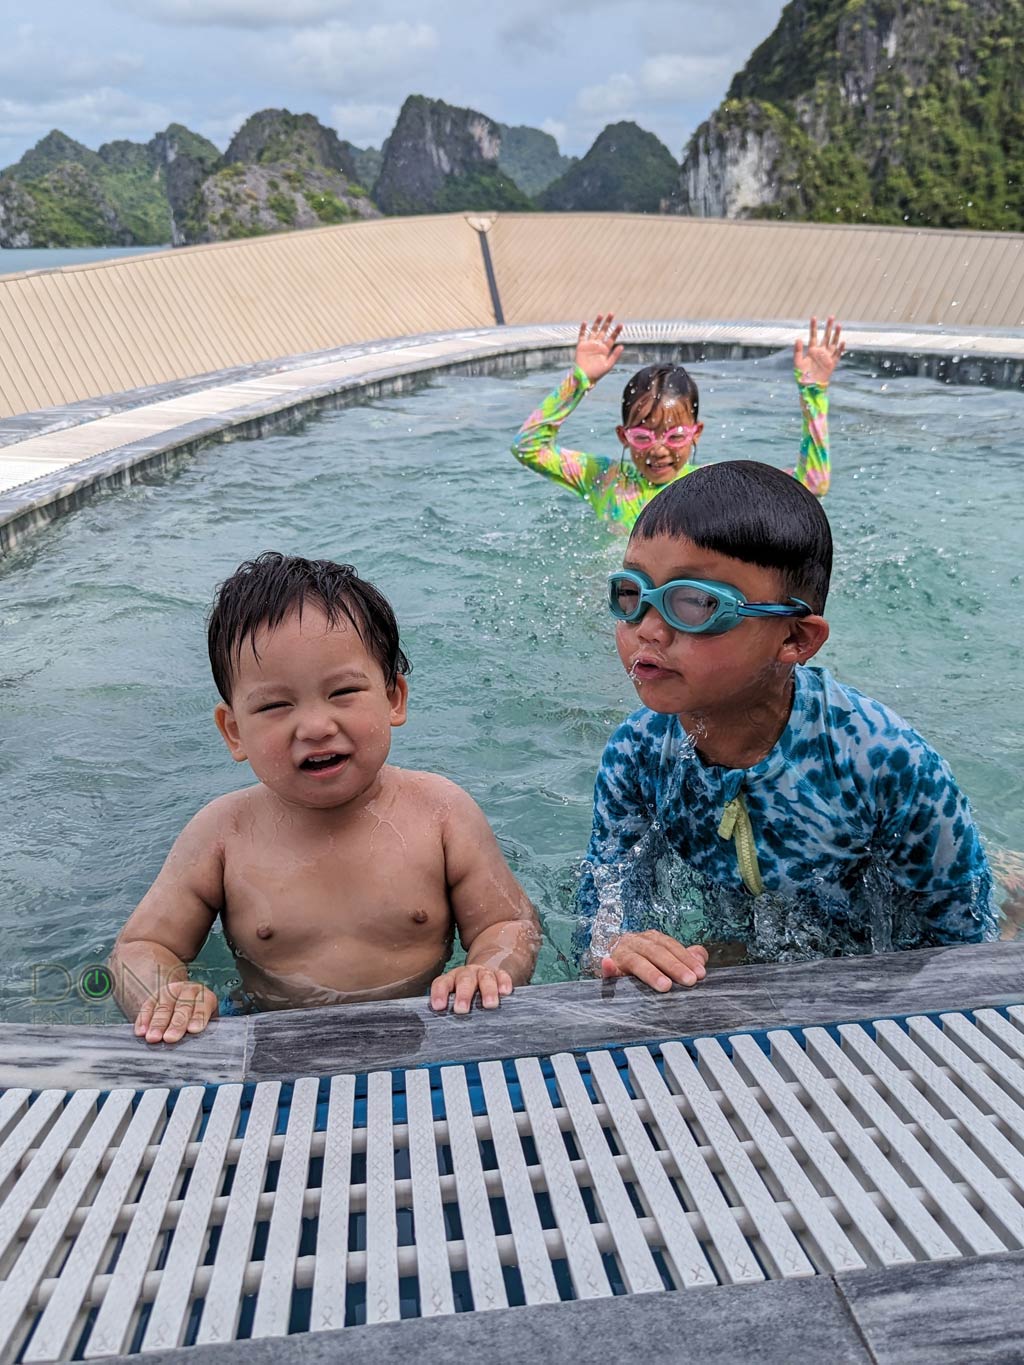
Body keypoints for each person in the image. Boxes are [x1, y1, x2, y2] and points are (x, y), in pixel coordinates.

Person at [576, 462, 996, 989]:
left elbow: (961, 949)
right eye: (633, 594)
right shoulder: (636, 754)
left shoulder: (885, 763)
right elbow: (604, 898)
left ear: (795, 638)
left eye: (698, 603)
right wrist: (615, 944)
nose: (650, 630)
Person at [108, 553, 541, 1044]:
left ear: (393, 698)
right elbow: (141, 945)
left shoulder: (440, 813)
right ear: (234, 732)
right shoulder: (222, 834)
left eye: (342, 693)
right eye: (275, 705)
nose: (315, 727)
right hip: (270, 1036)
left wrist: (485, 968)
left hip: (428, 1027)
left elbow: (510, 922)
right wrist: (165, 993)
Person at [511, 314, 844, 530]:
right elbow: (527, 447)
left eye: (675, 436)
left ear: (696, 433)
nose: (658, 450)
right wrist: (579, 380)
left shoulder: (713, 486)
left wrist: (814, 393)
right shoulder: (603, 478)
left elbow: (812, 484)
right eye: (642, 436)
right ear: (623, 436)